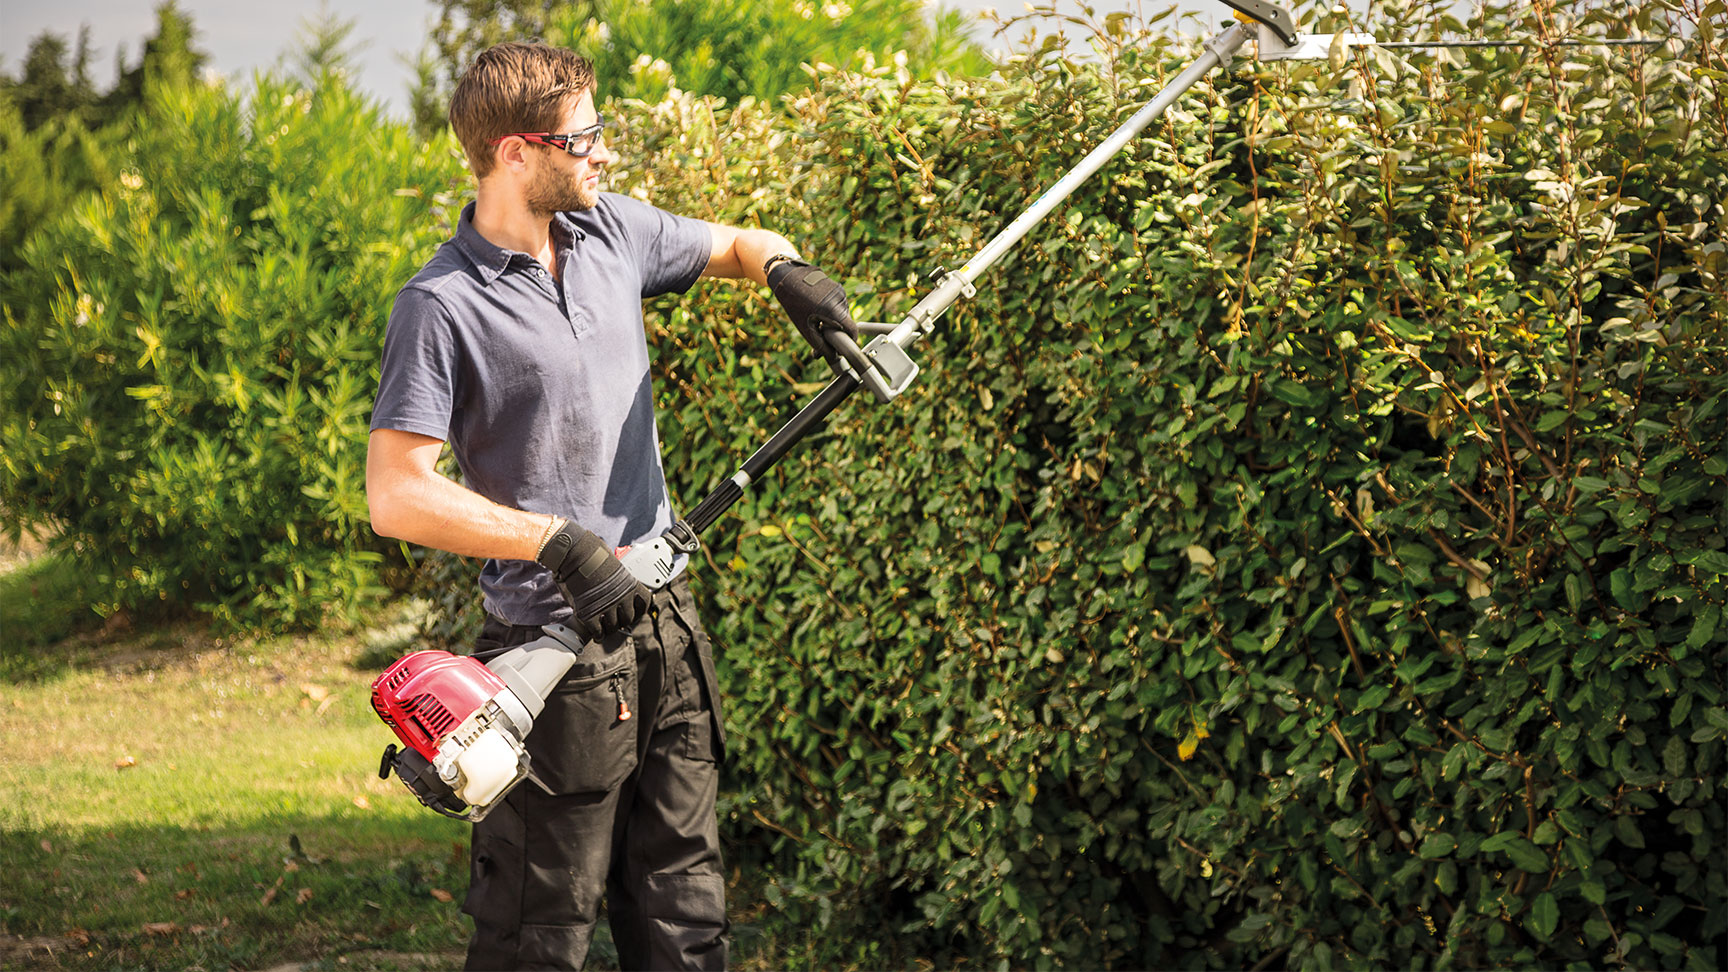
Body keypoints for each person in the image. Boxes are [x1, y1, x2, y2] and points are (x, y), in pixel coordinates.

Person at [364, 42, 858, 972]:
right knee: (537, 938)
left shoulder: (611, 235)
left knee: (687, 923)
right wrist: (558, 544)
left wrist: (792, 275)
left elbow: (740, 245)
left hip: (666, 634)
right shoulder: (440, 305)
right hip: (554, 665)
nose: (602, 153)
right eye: (582, 137)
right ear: (515, 153)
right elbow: (395, 494)